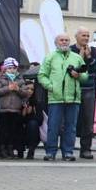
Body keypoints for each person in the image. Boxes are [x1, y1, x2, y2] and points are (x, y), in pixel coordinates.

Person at [38, 33, 88, 161]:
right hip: (56, 97)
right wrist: (52, 87)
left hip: (73, 97)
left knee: (71, 127)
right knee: (53, 126)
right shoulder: (50, 57)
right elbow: (42, 75)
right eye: (62, 40)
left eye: (66, 40)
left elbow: (85, 76)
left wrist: (79, 76)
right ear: (56, 42)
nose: (64, 42)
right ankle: (50, 152)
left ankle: (68, 152)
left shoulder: (76, 57)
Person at [70, 27, 96, 159]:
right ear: (76, 36)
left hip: (89, 89)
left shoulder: (92, 50)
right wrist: (80, 57)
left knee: (88, 121)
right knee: (71, 120)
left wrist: (89, 58)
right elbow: (71, 68)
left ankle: (86, 149)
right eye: (83, 35)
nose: (86, 38)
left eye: (88, 36)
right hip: (73, 88)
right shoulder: (71, 50)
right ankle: (69, 149)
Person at [0, 58, 32, 159]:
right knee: (3, 130)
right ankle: (2, 149)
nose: (12, 70)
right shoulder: (0, 78)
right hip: (4, 109)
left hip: (15, 109)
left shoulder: (20, 79)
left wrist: (18, 89)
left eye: (14, 68)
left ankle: (10, 148)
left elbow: (25, 93)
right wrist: (8, 88)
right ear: (5, 68)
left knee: (12, 130)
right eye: (9, 68)